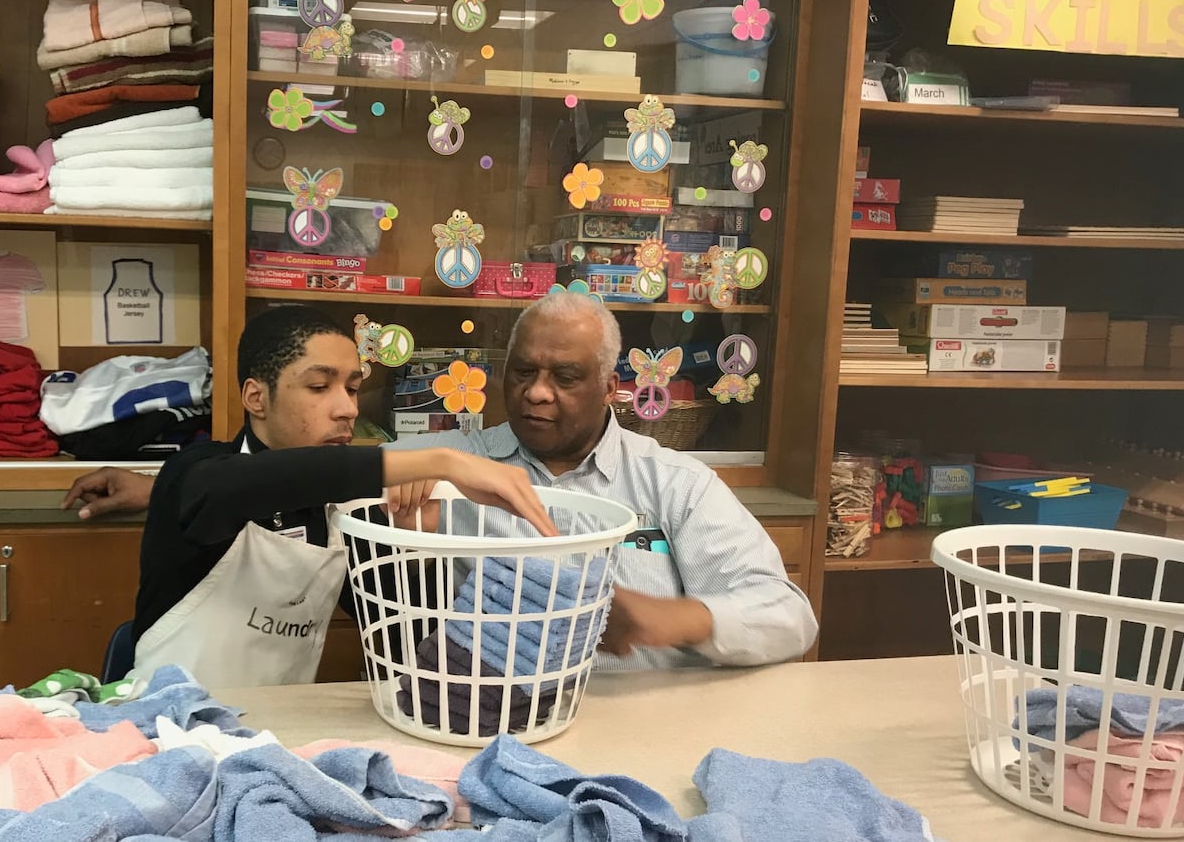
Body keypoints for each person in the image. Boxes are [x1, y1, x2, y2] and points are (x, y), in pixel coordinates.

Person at [63, 305, 557, 688]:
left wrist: (410, 548)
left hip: (276, 743)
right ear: (256, 397)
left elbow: (406, 651)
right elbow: (255, 483)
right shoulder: (195, 475)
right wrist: (441, 459)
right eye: (320, 386)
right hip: (169, 734)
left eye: (353, 388)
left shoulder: (342, 515)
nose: (345, 409)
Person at [385, 291, 818, 669]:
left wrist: (673, 619)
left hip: (643, 723)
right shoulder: (450, 464)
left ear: (610, 388)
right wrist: (395, 486)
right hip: (496, 718)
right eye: (523, 372)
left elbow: (790, 618)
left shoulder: (673, 482)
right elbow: (327, 493)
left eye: (565, 377)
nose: (536, 392)